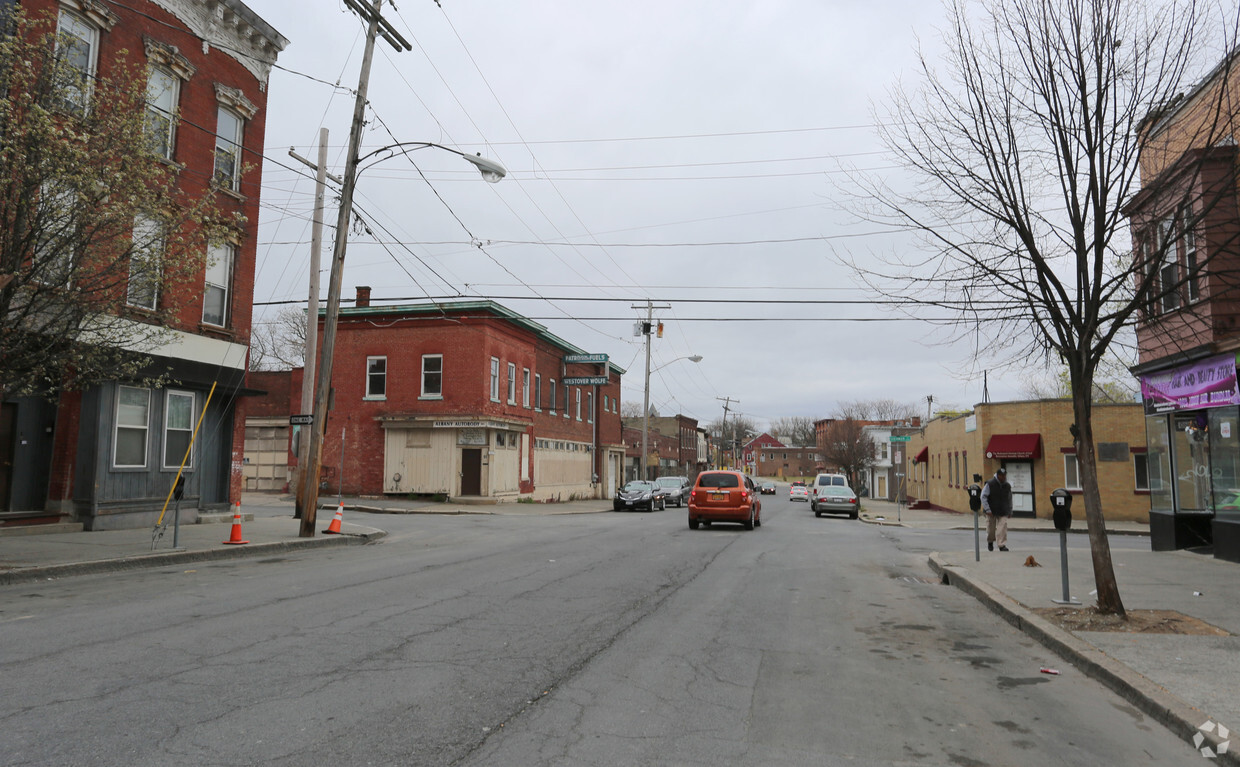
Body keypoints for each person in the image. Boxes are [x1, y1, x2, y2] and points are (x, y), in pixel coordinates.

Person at [981, 467, 1012, 551]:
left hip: (1003, 510)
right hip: (991, 510)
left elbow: (1009, 498)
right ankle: (990, 541)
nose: (1004, 477)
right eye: (1002, 476)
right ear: (998, 475)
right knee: (991, 528)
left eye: (1005, 475)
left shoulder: (1007, 486)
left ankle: (1001, 545)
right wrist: (987, 509)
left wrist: (1010, 510)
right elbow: (983, 496)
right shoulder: (990, 484)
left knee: (1002, 527)